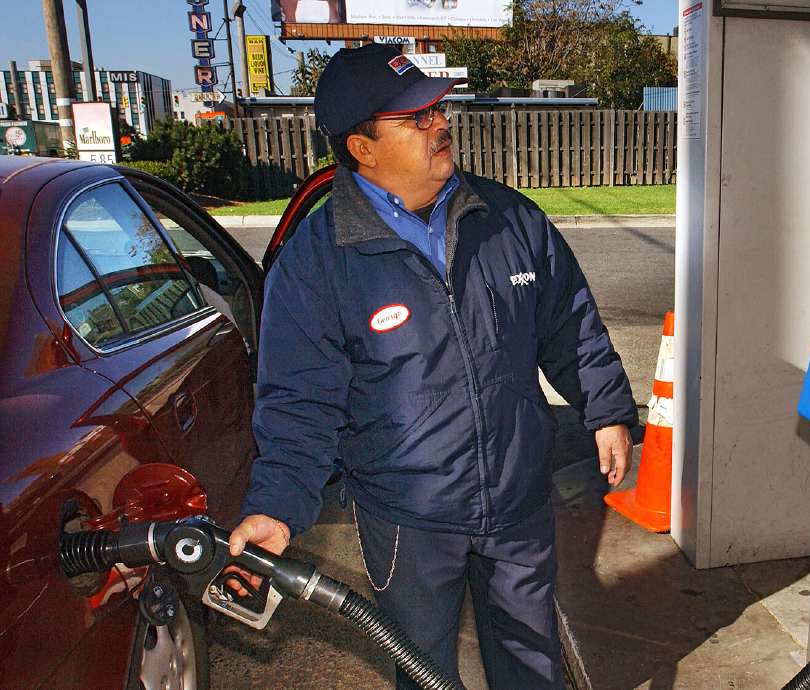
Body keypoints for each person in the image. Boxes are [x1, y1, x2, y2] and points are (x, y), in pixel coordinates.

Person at [227, 43, 637, 688]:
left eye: (437, 109)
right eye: (414, 119)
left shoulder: (508, 218)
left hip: (517, 497)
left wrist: (607, 409)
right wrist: (276, 507)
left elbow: (570, 324)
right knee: (422, 669)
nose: (439, 125)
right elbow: (300, 403)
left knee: (532, 663)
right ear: (362, 148)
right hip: (407, 516)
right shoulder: (318, 260)